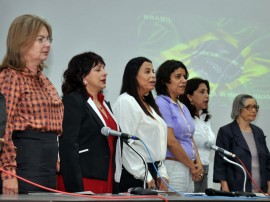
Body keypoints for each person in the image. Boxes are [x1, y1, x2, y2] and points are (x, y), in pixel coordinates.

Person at [0, 14, 63, 194]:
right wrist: (8, 173)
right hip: (25, 164)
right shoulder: (11, 76)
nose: (47, 44)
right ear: (21, 42)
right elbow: (4, 128)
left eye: (48, 39)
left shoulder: (44, 80)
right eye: (40, 39)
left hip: (48, 165)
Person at [58, 51, 120, 194]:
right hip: (84, 177)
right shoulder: (73, 101)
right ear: (82, 77)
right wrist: (76, 189)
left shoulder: (106, 104)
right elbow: (68, 145)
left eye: (104, 68)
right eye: (98, 70)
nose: (105, 73)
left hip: (107, 176)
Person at [113, 57, 169, 192]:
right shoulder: (126, 101)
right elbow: (126, 144)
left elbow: (158, 145)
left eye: (153, 72)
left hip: (151, 172)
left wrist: (162, 173)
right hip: (133, 173)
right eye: (147, 72)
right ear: (134, 75)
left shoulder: (150, 104)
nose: (153, 76)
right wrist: (144, 174)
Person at [155, 60, 204, 193]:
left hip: (187, 167)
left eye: (185, 77)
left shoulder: (182, 106)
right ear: (165, 80)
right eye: (178, 76)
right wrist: (192, 165)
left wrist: (197, 162)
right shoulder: (161, 103)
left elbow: (190, 138)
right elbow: (170, 141)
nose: (183, 81)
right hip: (173, 166)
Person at [213, 94, 270, 194]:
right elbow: (220, 163)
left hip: (261, 190)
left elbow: (267, 161)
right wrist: (225, 188)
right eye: (249, 107)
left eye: (255, 107)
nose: (254, 110)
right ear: (238, 109)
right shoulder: (226, 131)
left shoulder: (258, 132)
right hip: (236, 189)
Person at [179, 77, 216, 192]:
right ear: (189, 96)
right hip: (191, 169)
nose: (207, 96)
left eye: (207, 92)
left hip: (205, 169)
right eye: (202, 92)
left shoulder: (205, 119)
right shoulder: (185, 119)